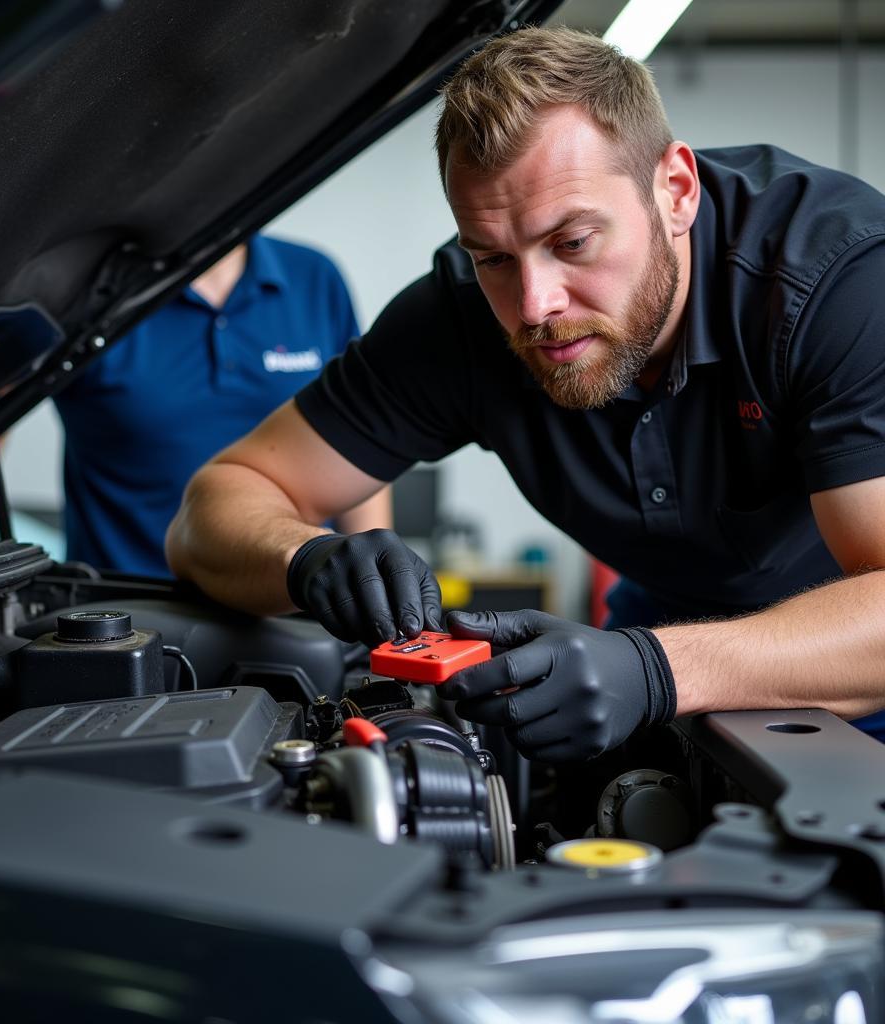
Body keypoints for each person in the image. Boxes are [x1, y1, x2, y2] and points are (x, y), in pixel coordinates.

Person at [165, 26, 885, 762]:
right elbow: (213, 507)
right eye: (495, 258)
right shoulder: (458, 320)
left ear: (675, 192)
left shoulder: (839, 283)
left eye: (572, 243)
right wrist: (307, 558)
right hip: (658, 626)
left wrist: (656, 670)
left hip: (848, 656)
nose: (535, 304)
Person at [0, 235, 391, 569]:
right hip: (126, 621)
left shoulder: (314, 278)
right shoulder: (88, 291)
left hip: (291, 605)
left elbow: (357, 432)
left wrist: (373, 582)